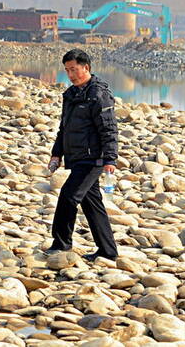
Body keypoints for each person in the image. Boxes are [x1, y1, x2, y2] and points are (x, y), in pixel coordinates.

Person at [46, 49, 119, 262]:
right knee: (92, 203)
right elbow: (64, 128)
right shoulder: (70, 95)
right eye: (67, 70)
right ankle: (108, 251)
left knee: (69, 196)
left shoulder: (98, 94)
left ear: (86, 67)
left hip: (93, 158)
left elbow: (109, 128)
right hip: (77, 156)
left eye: (74, 69)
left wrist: (110, 159)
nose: (70, 74)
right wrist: (56, 154)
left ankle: (61, 244)